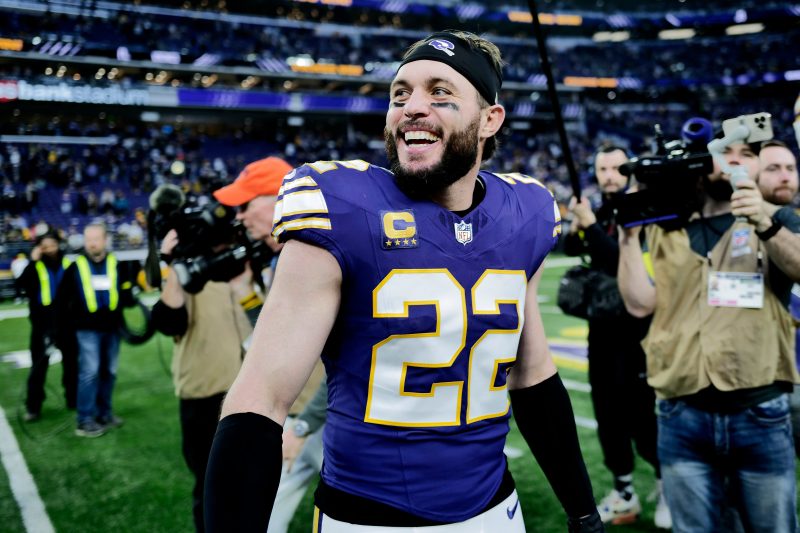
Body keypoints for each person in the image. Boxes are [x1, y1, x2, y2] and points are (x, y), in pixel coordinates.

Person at [205, 30, 604, 532]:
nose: (412, 107)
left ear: (490, 119)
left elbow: (533, 375)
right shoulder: (341, 207)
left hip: (496, 509)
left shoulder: (524, 213)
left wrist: (582, 509)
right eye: (401, 94)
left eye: (440, 92)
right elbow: (260, 400)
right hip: (366, 518)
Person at [617, 136, 800, 532]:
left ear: (757, 167)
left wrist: (764, 222)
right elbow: (639, 304)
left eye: (747, 154)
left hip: (759, 408)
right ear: (703, 161)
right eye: (724, 152)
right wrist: (628, 238)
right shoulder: (665, 222)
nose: (735, 160)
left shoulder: (778, 217)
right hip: (681, 411)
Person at [212, 155, 329, 532]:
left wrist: (303, 427)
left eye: (246, 204)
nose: (240, 216)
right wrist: (245, 293)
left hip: (331, 420)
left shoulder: (316, 254)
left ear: (279, 197)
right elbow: (274, 339)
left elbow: (352, 361)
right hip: (300, 414)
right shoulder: (283, 256)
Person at [564, 145, 669, 528]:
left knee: (644, 416)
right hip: (602, 331)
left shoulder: (643, 209)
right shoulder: (600, 209)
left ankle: (666, 485)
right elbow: (572, 248)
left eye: (616, 168)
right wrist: (577, 225)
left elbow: (620, 262)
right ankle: (624, 491)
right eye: (602, 168)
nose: (609, 175)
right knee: (607, 415)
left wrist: (591, 226)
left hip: (639, 334)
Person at [151, 229, 254, 533]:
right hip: (205, 392)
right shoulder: (188, 270)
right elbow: (167, 321)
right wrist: (175, 264)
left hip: (248, 390)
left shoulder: (239, 262)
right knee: (210, 485)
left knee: (247, 481)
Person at [58, 222, 132, 438]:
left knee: (109, 372)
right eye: (88, 239)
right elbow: (62, 300)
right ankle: (85, 419)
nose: (91, 244)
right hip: (87, 329)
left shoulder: (116, 264)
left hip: (112, 329)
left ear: (105, 240)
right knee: (90, 373)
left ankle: (104, 413)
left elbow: (125, 294)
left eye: (95, 239)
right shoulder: (75, 267)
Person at [757, 139, 800, 455]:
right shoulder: (728, 226)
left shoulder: (792, 220)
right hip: (763, 377)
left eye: (790, 168)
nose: (785, 176)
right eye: (773, 168)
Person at [19, 230, 78, 421]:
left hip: (66, 325)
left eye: (52, 245)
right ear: (39, 248)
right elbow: (22, 285)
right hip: (42, 326)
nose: (50, 249)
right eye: (45, 246)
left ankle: (73, 399)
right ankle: (33, 407)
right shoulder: (35, 266)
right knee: (38, 368)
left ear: (58, 245)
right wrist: (32, 261)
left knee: (71, 366)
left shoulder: (69, 265)